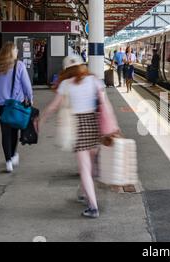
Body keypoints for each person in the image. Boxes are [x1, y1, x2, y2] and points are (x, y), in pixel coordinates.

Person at [38, 55, 105, 219]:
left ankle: (93, 207)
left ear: (66, 69)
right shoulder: (94, 80)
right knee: (90, 165)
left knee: (84, 168)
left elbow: (54, 106)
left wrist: (41, 119)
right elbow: (104, 104)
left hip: (78, 125)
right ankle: (83, 193)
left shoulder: (65, 84)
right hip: (94, 123)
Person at [0, 42, 33, 173]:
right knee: (14, 131)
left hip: (1, 104)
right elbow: (26, 85)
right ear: (11, 52)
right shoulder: (19, 65)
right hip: (15, 104)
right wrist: (30, 98)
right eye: (16, 50)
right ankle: (13, 155)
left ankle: (8, 161)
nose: (17, 52)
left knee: (5, 133)